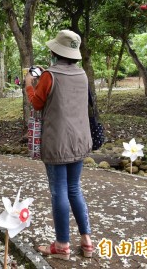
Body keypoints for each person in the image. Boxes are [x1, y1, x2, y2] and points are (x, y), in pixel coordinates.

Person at [24, 30, 93, 260]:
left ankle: (62, 245)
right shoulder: (82, 74)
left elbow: (37, 103)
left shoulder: (49, 76)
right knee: (74, 189)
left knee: (59, 192)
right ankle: (86, 241)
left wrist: (28, 85)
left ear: (55, 51)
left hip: (57, 143)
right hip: (80, 141)